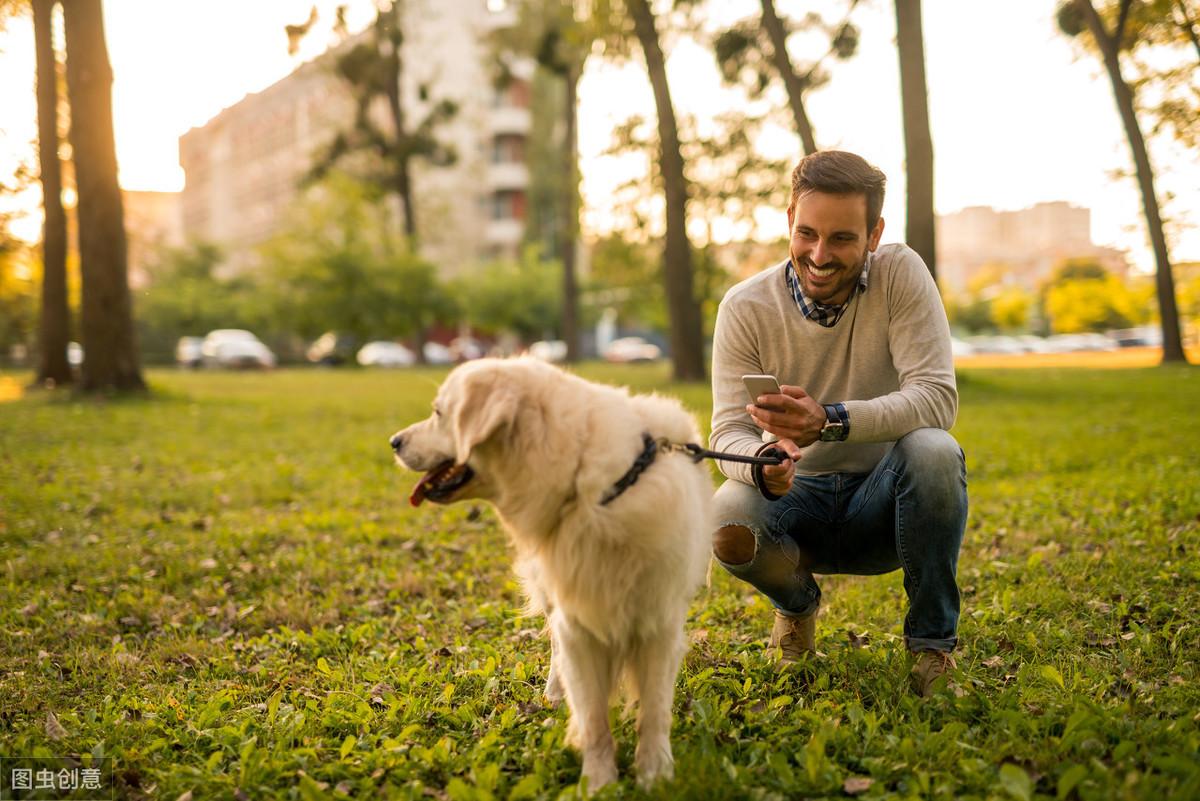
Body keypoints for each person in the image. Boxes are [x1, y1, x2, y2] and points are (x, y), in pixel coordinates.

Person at [708, 150, 967, 697]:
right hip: (795, 506)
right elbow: (726, 430)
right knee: (727, 512)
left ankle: (930, 651)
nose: (819, 255)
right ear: (789, 222)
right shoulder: (745, 307)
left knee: (935, 451)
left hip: (887, 506)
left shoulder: (900, 273)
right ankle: (796, 608)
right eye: (807, 234)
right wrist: (761, 465)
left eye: (842, 239)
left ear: (874, 234)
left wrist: (830, 420)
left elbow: (936, 398)